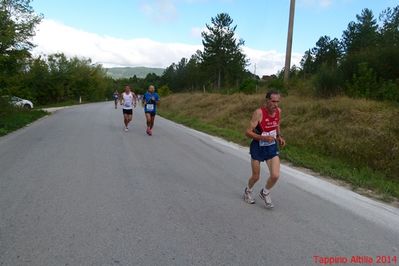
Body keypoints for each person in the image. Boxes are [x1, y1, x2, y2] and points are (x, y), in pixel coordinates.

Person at [243, 90, 286, 208]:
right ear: (267, 101)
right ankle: (248, 191)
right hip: (258, 147)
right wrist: (263, 137)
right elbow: (248, 132)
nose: (276, 104)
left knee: (275, 175)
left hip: (271, 147)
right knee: (256, 176)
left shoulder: (278, 111)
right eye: (273, 101)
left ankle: (265, 192)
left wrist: (279, 136)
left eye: (278, 102)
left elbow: (277, 125)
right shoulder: (259, 113)